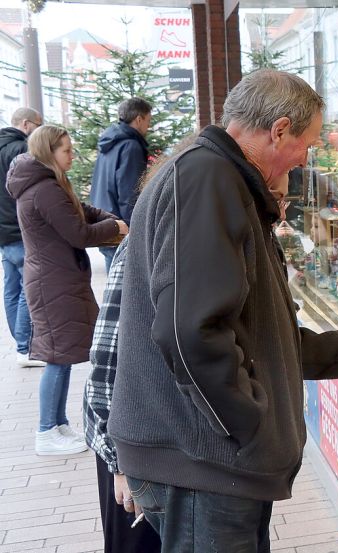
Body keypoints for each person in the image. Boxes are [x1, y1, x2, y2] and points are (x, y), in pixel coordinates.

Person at [108, 69, 338, 551]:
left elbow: (260, 332)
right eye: (305, 144)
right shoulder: (208, 178)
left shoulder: (215, 177)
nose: (306, 159)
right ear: (279, 129)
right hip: (206, 463)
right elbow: (190, 333)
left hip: (210, 462)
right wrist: (247, 426)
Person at [84, 139, 192, 552]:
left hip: (167, 445)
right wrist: (120, 464)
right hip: (133, 449)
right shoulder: (151, 242)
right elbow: (105, 364)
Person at [5, 125, 128, 456]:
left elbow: (83, 211)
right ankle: (46, 430)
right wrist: (114, 227)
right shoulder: (44, 189)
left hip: (58, 279)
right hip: (52, 283)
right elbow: (78, 233)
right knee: (57, 357)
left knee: (61, 354)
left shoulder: (51, 184)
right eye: (66, 150)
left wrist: (110, 220)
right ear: (49, 152)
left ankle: (57, 424)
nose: (72, 155)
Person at [0, 107, 44, 367]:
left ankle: (20, 342)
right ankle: (25, 347)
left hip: (3, 232)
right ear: (26, 124)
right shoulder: (21, 150)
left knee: (12, 287)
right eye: (38, 125)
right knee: (30, 287)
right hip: (19, 228)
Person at [90, 97, 151, 272]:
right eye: (148, 121)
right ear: (138, 119)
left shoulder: (110, 142)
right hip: (121, 225)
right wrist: (134, 226)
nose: (148, 126)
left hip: (105, 220)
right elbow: (130, 191)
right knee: (123, 286)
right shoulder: (130, 146)